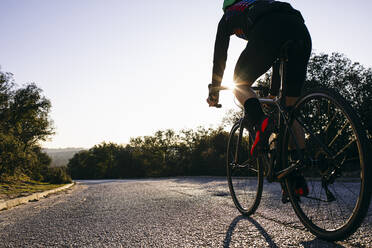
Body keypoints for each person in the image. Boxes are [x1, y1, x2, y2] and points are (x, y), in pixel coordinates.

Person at [207, 0, 311, 201]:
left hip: (268, 30)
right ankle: (297, 175)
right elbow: (276, 57)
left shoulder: (229, 15)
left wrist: (214, 90)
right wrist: (272, 94)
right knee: (290, 111)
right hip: (300, 30)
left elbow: (220, 55)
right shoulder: (262, 4)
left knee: (239, 83)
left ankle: (259, 121)